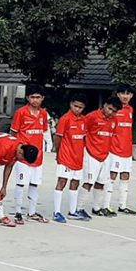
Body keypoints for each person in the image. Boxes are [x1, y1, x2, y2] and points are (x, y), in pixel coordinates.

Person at [0, 133, 40, 229]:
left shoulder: (19, 149)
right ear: (20, 152)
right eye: (23, 159)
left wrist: (4, 187)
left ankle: (0, 216)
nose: (21, 160)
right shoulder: (5, 147)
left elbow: (9, 166)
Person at [9, 84, 50, 224]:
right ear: (27, 97)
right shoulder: (20, 112)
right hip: (23, 156)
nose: (35, 100)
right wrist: (16, 150)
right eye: (32, 97)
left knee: (34, 184)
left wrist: (48, 145)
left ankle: (32, 212)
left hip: (37, 156)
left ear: (42, 98)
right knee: (21, 183)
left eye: (38, 97)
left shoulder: (43, 114)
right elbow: (14, 133)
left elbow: (44, 131)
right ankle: (18, 212)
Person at [81, 97, 121, 218]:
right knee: (88, 182)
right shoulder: (92, 116)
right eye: (109, 109)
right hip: (91, 153)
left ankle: (96, 208)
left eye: (114, 111)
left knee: (101, 183)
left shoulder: (114, 120)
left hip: (105, 155)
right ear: (104, 105)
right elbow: (82, 133)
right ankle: (79, 208)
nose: (111, 112)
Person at [51, 94, 87, 223]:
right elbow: (58, 138)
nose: (77, 109)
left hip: (78, 158)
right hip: (66, 157)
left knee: (75, 183)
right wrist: (58, 153)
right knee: (62, 182)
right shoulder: (65, 119)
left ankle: (72, 211)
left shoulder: (84, 120)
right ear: (71, 104)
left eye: (80, 107)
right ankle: (56, 212)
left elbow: (84, 138)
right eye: (75, 106)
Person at [108, 84, 136, 214]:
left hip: (127, 150)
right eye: (123, 93)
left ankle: (122, 205)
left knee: (125, 175)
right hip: (114, 149)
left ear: (131, 96)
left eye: (128, 94)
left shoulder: (130, 109)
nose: (125, 96)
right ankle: (106, 204)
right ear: (118, 94)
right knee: (112, 175)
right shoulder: (113, 110)